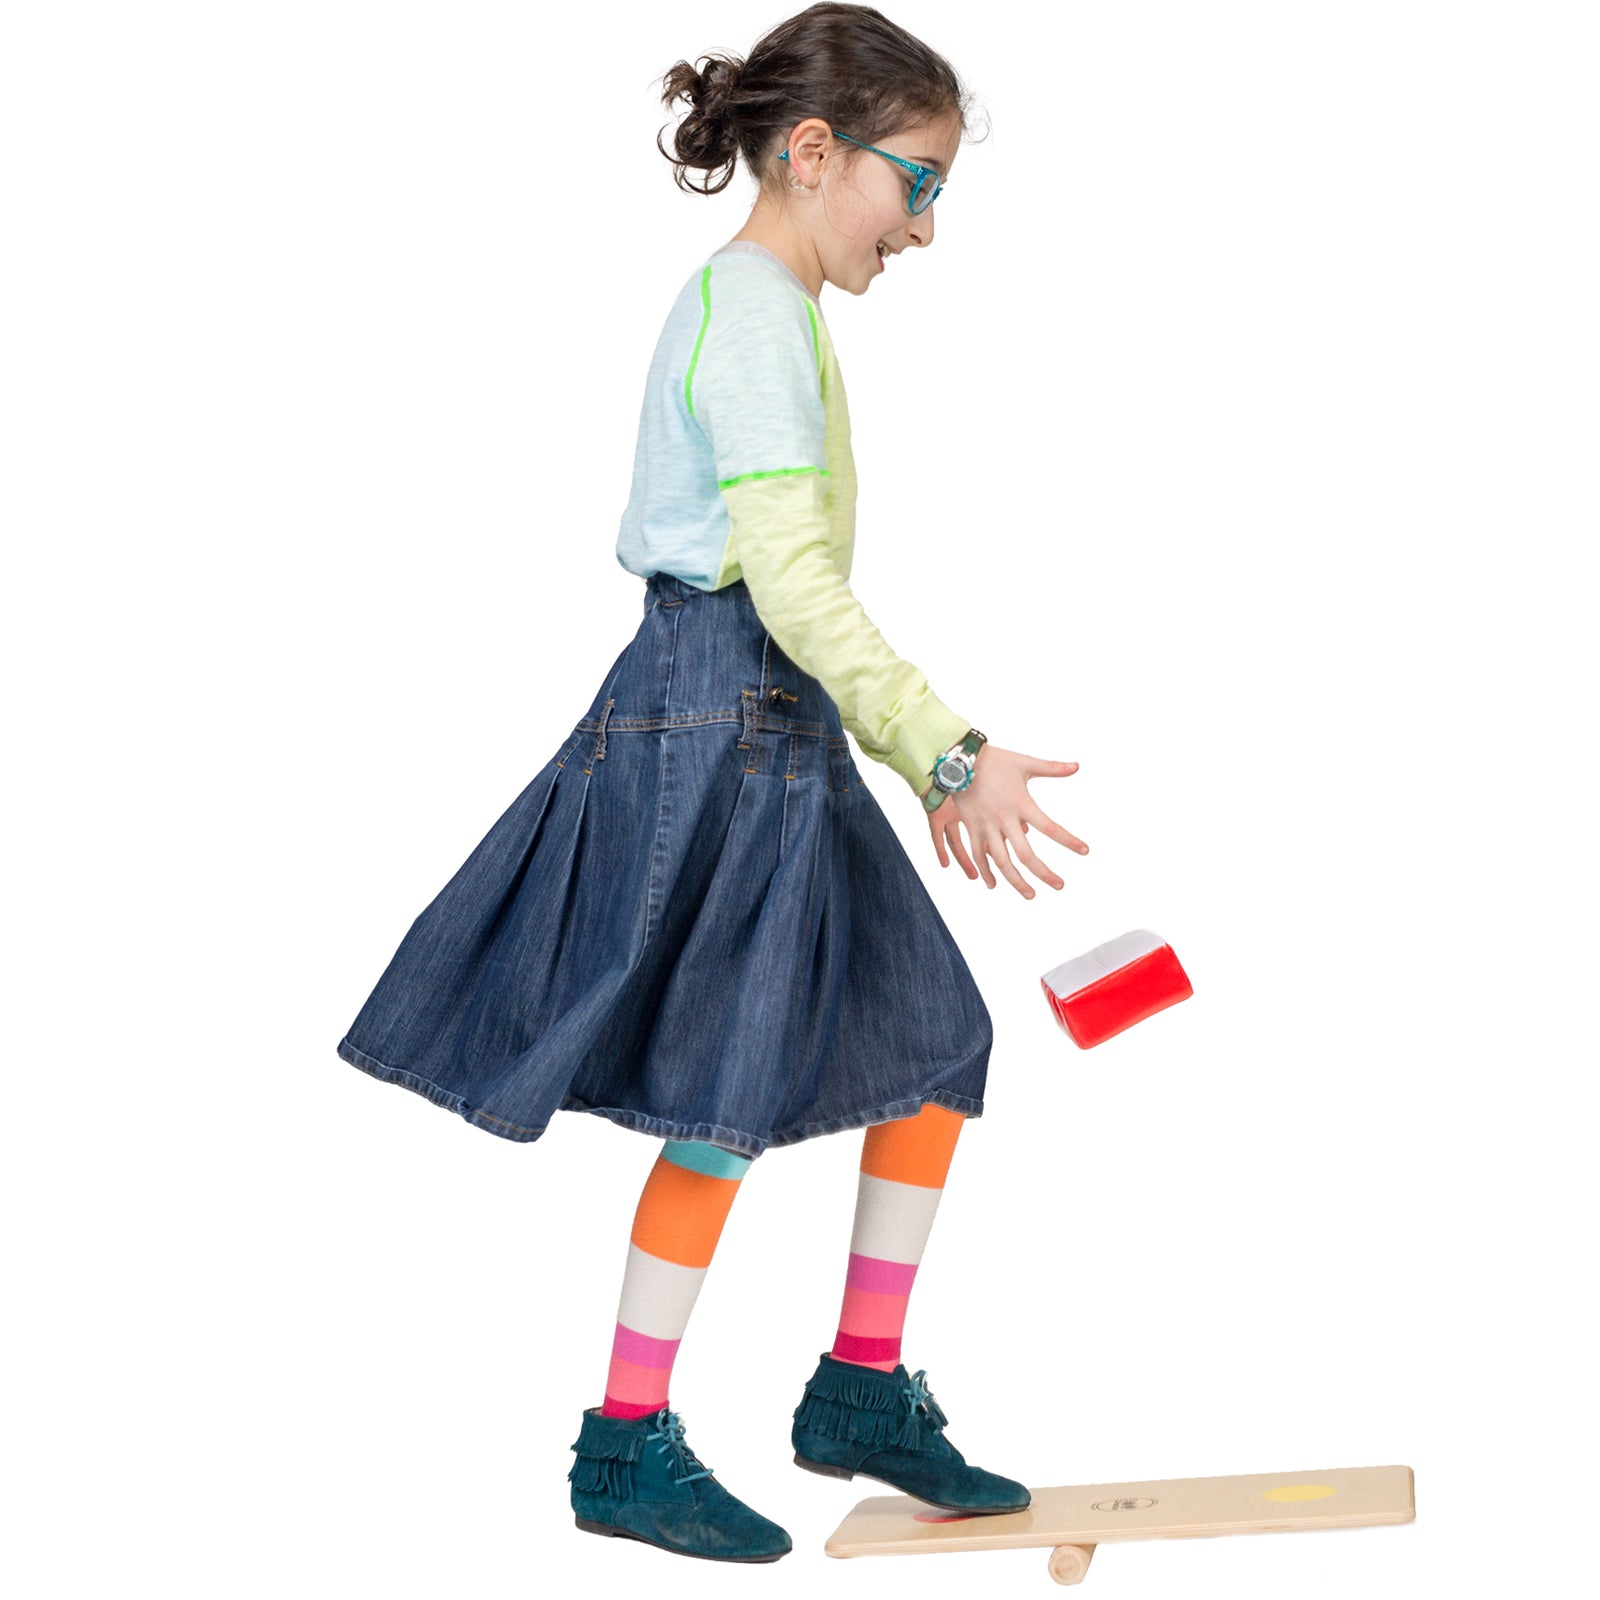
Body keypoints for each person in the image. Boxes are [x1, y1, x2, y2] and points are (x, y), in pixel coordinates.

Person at [335, 0, 1088, 1565]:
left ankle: (859, 1391)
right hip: (725, 708)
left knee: (935, 1039)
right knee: (727, 1091)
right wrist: (945, 749)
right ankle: (623, 1445)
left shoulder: (772, 305)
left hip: (776, 718)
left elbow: (798, 601)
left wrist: (894, 746)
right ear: (815, 154)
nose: (929, 226)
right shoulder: (748, 308)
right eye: (918, 182)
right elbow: (792, 583)